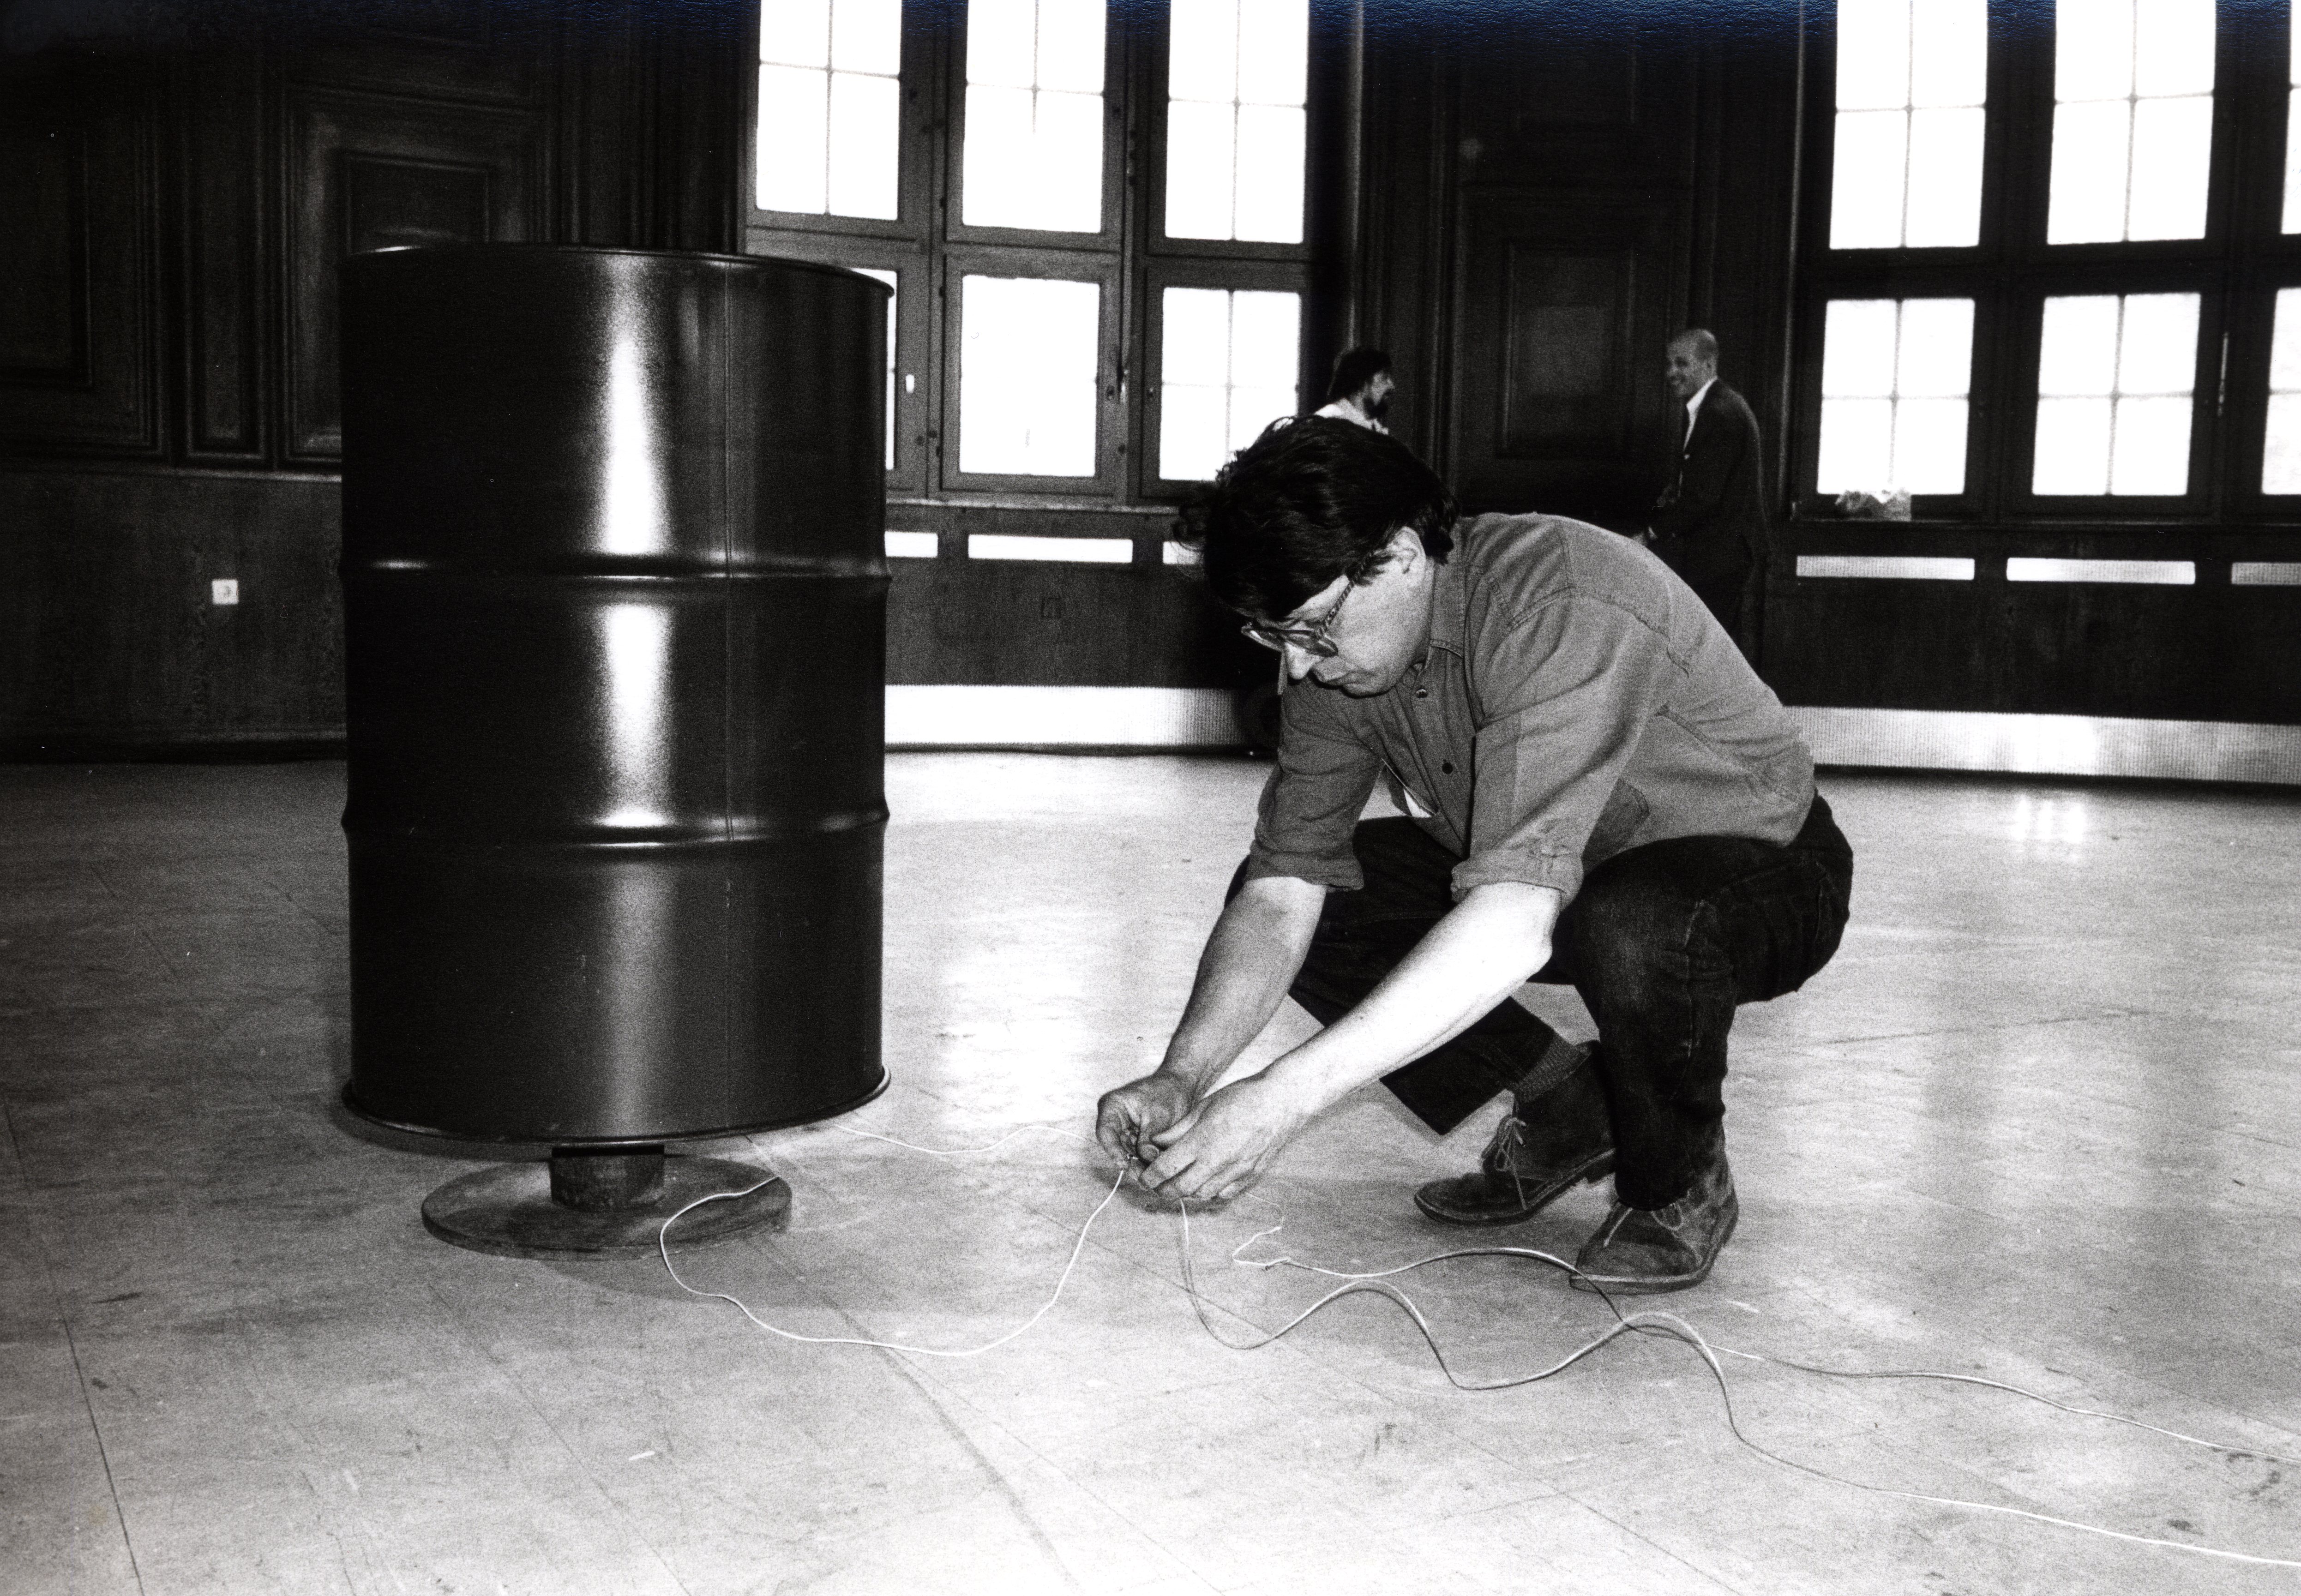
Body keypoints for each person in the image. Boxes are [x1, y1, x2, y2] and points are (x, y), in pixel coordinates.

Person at [1095, 417, 1852, 1293]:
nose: (1298, 670)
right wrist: (1184, 1076)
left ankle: (1675, 1178)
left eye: (1309, 630)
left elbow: (1516, 921)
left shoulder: (1560, 601)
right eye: (1274, 638)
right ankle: (1569, 1105)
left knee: (1635, 923)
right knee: (1329, 898)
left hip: (1762, 871)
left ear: (1403, 555)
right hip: (1560, 879)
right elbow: (1284, 889)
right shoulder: (1339, 656)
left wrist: (1282, 1097)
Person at [1646, 329, 1766, 660]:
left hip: (1720, 557)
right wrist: (1662, 505)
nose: (1671, 373)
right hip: (1715, 555)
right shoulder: (1708, 407)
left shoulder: (1719, 413)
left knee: (1709, 660)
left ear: (1709, 364)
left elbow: (1702, 498)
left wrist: (1650, 533)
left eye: (1681, 363)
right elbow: (1687, 486)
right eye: (1668, 363)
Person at [1313, 347, 1394, 434]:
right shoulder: (1327, 423)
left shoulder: (1373, 427)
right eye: (1384, 378)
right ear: (1363, 383)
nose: (1392, 386)